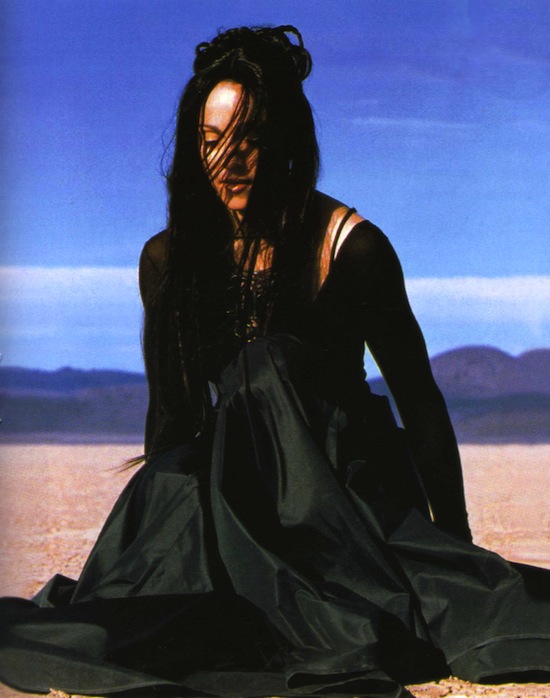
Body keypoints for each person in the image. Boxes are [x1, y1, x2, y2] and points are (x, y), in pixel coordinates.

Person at [0, 24, 549, 698]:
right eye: (211, 140)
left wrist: (457, 549)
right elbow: (172, 417)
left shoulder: (352, 248)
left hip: (346, 502)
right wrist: (159, 538)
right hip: (237, 500)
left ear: (287, 139)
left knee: (268, 364)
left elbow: (420, 402)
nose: (229, 160)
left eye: (250, 138)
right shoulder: (168, 259)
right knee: (147, 580)